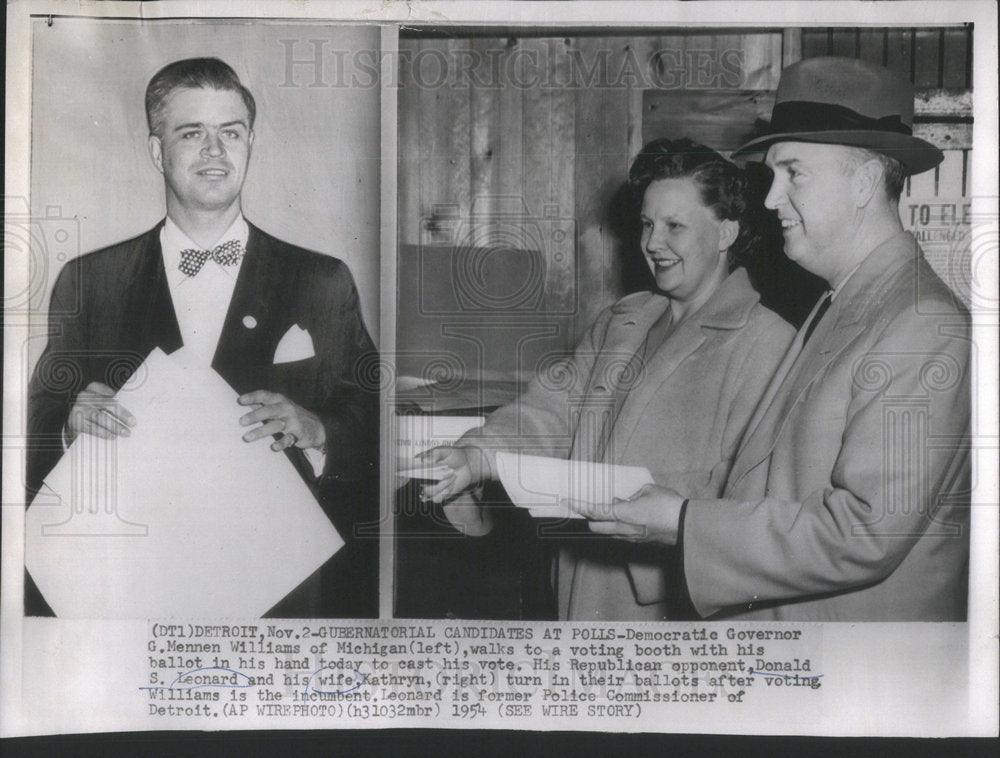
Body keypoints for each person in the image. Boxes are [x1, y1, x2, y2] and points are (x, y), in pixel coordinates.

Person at [570, 57, 971, 621]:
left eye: (794, 173)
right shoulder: (849, 300)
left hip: (857, 679)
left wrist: (683, 521)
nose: (769, 197)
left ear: (862, 184)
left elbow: (864, 532)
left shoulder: (924, 323)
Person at [26, 57, 379, 618]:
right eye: (192, 133)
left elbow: (372, 414)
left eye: (230, 133)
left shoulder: (321, 279)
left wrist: (317, 429)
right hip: (131, 586)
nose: (215, 151)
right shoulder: (91, 281)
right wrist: (70, 422)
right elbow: (34, 422)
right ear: (155, 150)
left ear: (251, 143)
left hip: (280, 586)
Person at [423, 139, 795, 620]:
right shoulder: (623, 319)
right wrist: (476, 456)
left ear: (726, 234)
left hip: (672, 601)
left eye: (674, 226)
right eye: (646, 224)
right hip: (579, 582)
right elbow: (550, 412)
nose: (652, 243)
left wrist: (620, 496)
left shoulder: (768, 342)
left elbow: (754, 503)